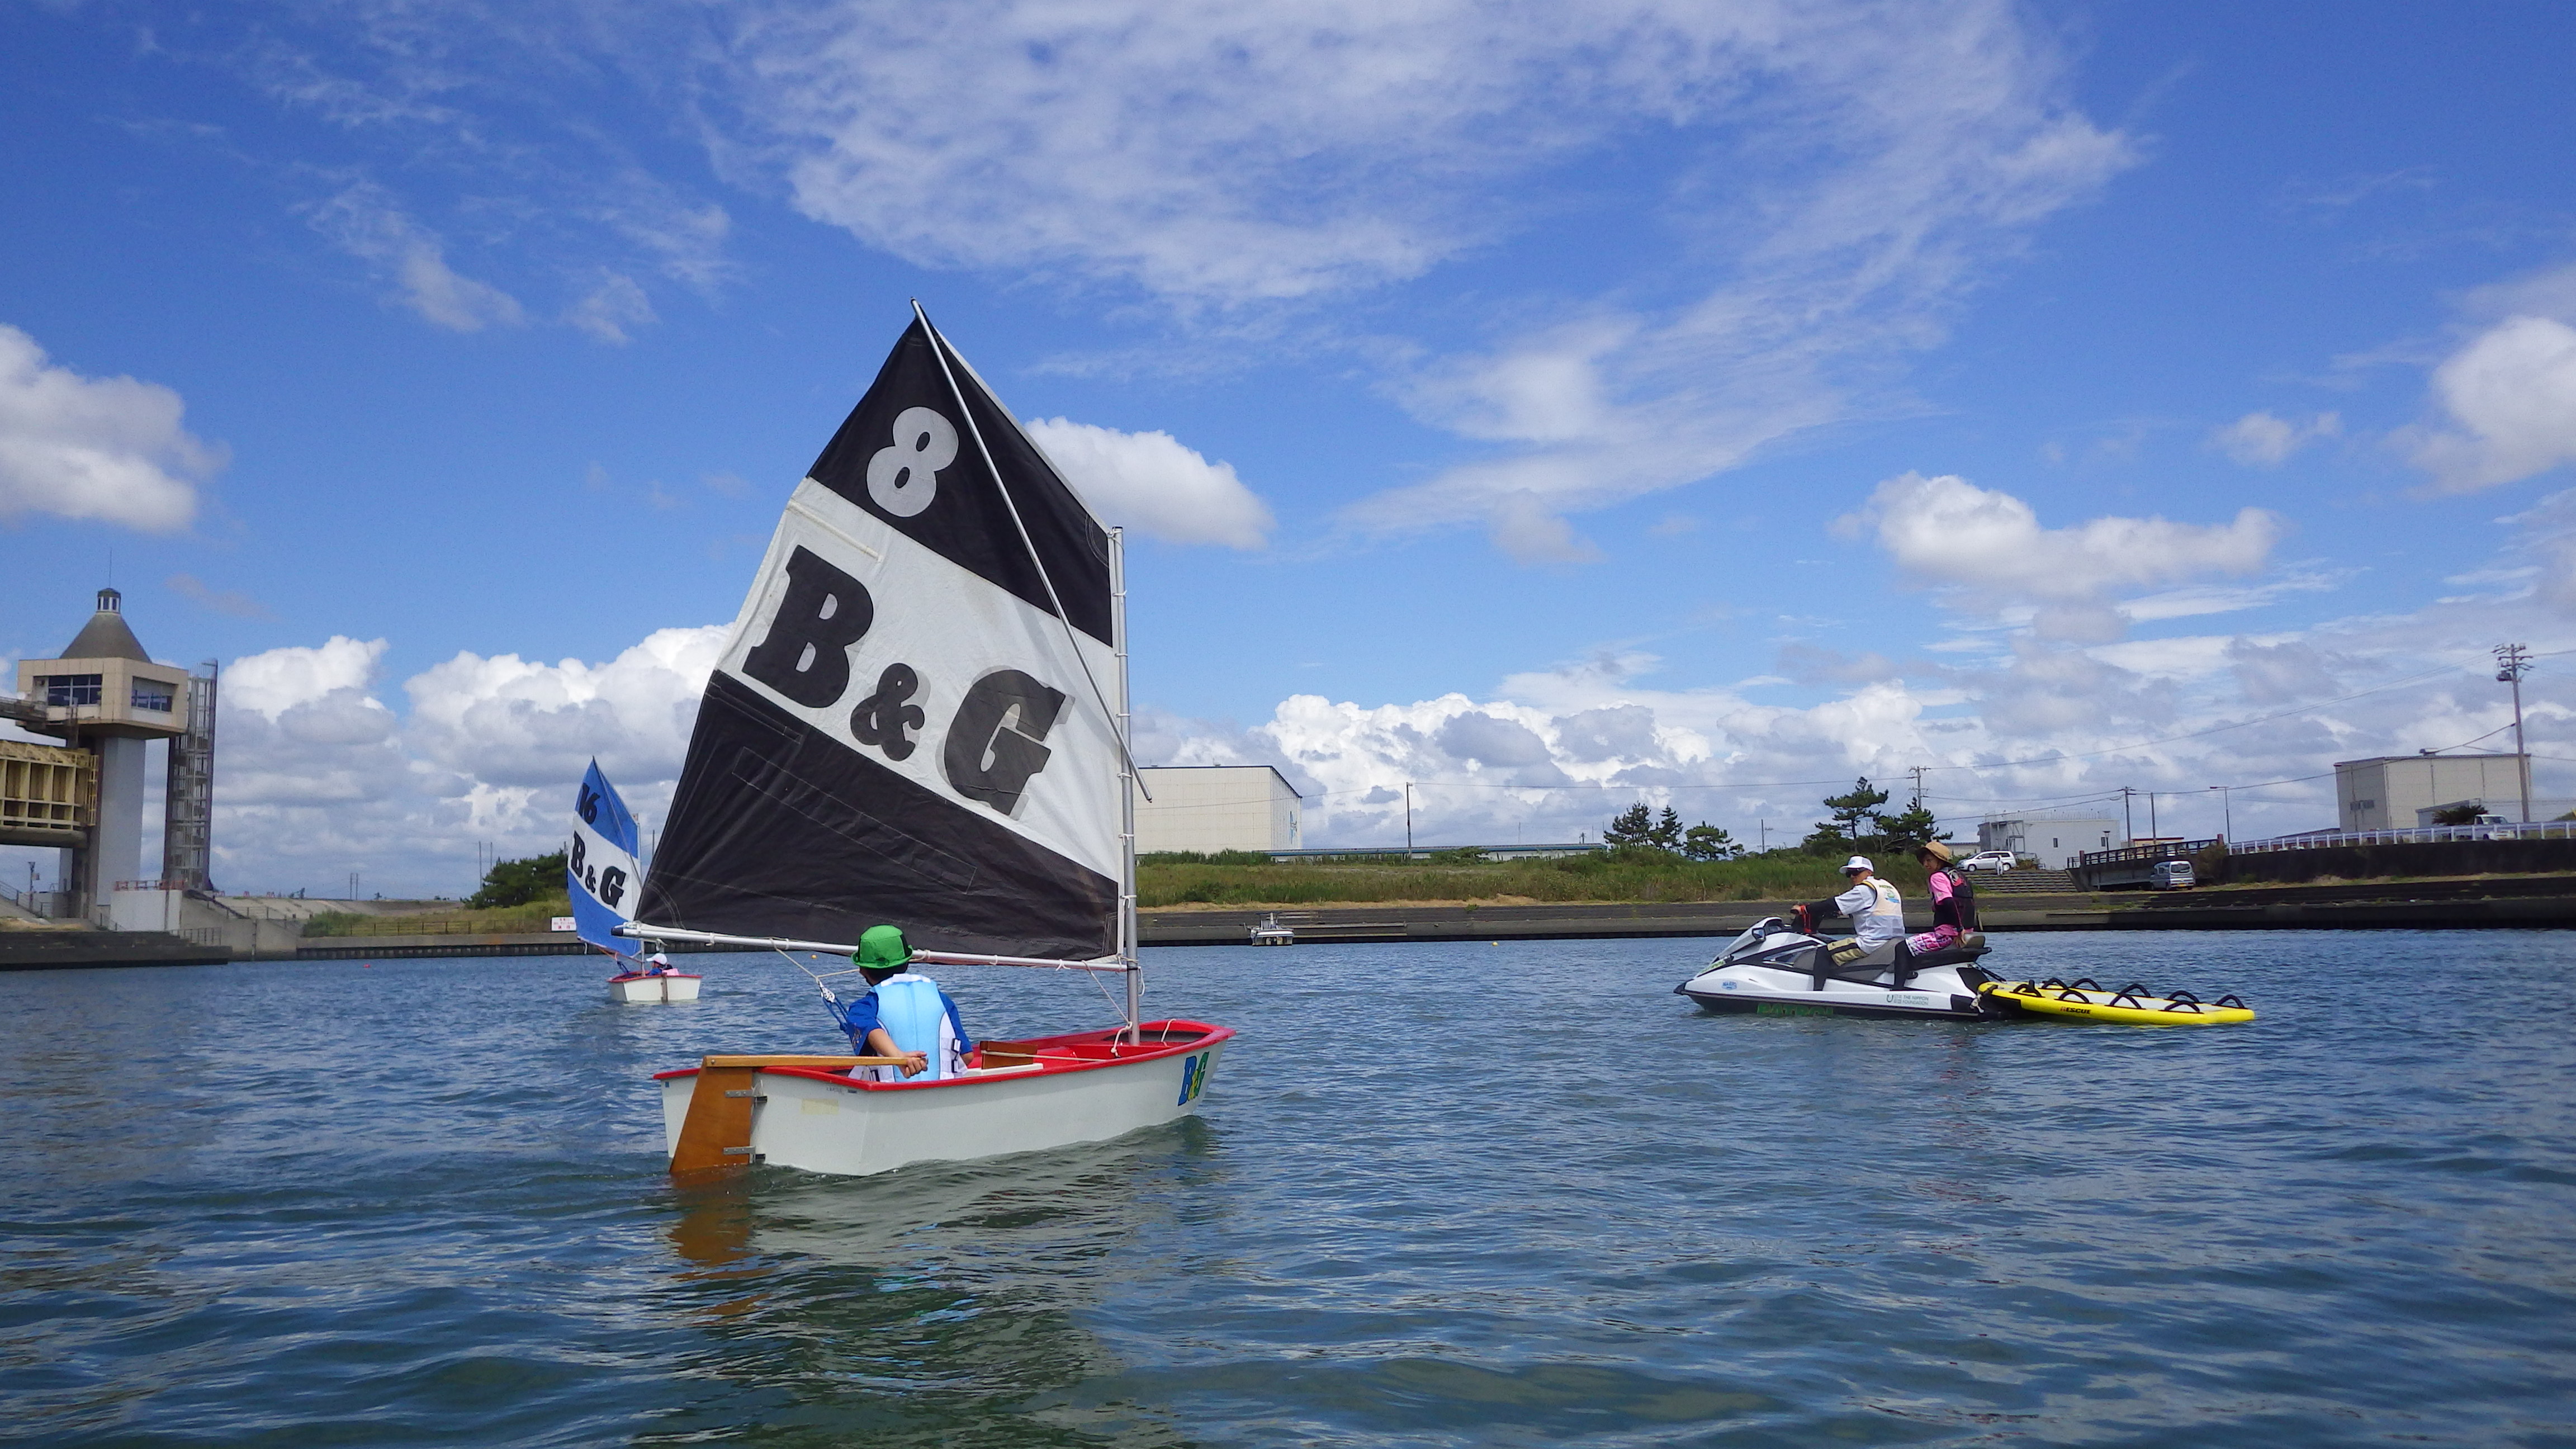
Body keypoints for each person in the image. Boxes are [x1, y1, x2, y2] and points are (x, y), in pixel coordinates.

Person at [838, 924, 972, 1082]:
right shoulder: (942, 1000)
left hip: (891, 1096)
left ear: (862, 970)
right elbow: (967, 1056)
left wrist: (899, 1057)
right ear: (907, 962)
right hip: (944, 1091)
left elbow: (872, 1030)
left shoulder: (863, 1008)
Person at [1793, 855, 1907, 969]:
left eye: (1856, 872)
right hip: (1895, 941)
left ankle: (1817, 987)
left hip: (1872, 943)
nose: (1852, 876)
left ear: (1869, 872)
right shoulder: (1887, 887)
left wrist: (1804, 909)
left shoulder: (1864, 889)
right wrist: (1836, 913)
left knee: (1823, 952)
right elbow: (1869, 910)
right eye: (1849, 874)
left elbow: (1833, 904)